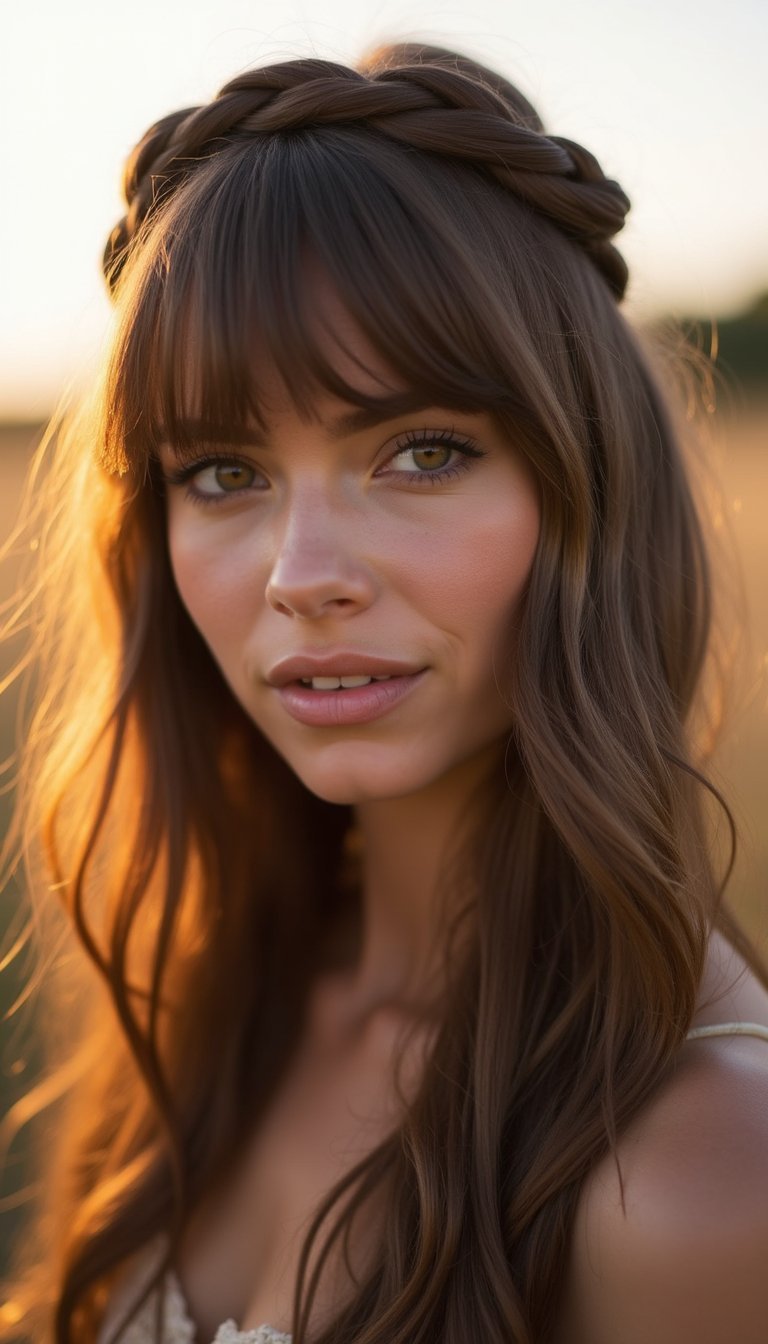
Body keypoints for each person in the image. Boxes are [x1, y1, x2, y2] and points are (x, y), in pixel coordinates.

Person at [1, 39, 767, 1344]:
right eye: (223, 473)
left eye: (421, 451)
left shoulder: (700, 1176)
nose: (303, 577)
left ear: (583, 494)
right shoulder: (225, 992)